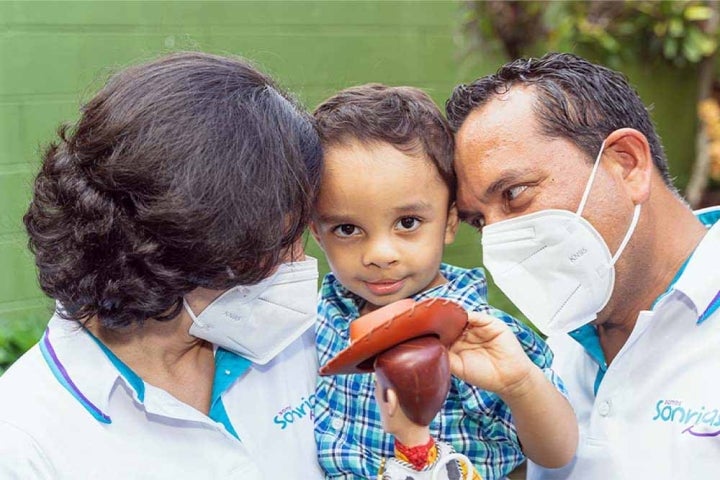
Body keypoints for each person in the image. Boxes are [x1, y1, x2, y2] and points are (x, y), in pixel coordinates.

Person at [0, 51, 325, 479]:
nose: (299, 260)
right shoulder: (25, 441)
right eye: (286, 240)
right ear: (211, 243)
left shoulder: (300, 346)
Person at [445, 51, 720, 480]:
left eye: (515, 194)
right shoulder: (545, 353)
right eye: (479, 222)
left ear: (626, 163)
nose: (496, 241)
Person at [310, 83, 578, 479]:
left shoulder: (474, 329)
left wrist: (520, 384)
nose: (380, 254)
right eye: (348, 229)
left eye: (407, 223)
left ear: (450, 221)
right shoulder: (323, 315)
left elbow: (558, 452)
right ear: (317, 232)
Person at [374, 336, 480, 480]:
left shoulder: (394, 474)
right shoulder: (454, 459)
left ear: (391, 401)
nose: (375, 395)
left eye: (376, 387)